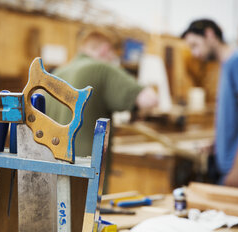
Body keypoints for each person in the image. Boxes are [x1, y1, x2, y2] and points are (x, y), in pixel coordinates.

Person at [46, 28, 158, 191]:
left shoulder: (56, 74)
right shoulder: (102, 68)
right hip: (86, 174)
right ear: (105, 49)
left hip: (51, 171)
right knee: (87, 215)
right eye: (113, 55)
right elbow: (150, 99)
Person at [181, 19, 238, 189]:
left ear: (209, 34)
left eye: (195, 45)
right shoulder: (227, 65)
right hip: (236, 165)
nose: (194, 53)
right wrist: (219, 143)